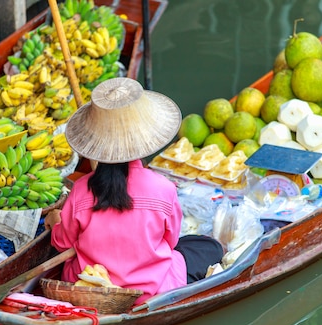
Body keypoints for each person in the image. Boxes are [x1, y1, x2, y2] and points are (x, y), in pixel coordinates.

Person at [44, 77, 224, 305]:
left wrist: (56, 222)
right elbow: (170, 241)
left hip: (90, 290)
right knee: (209, 247)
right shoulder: (163, 188)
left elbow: (62, 243)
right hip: (149, 292)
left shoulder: (80, 190)